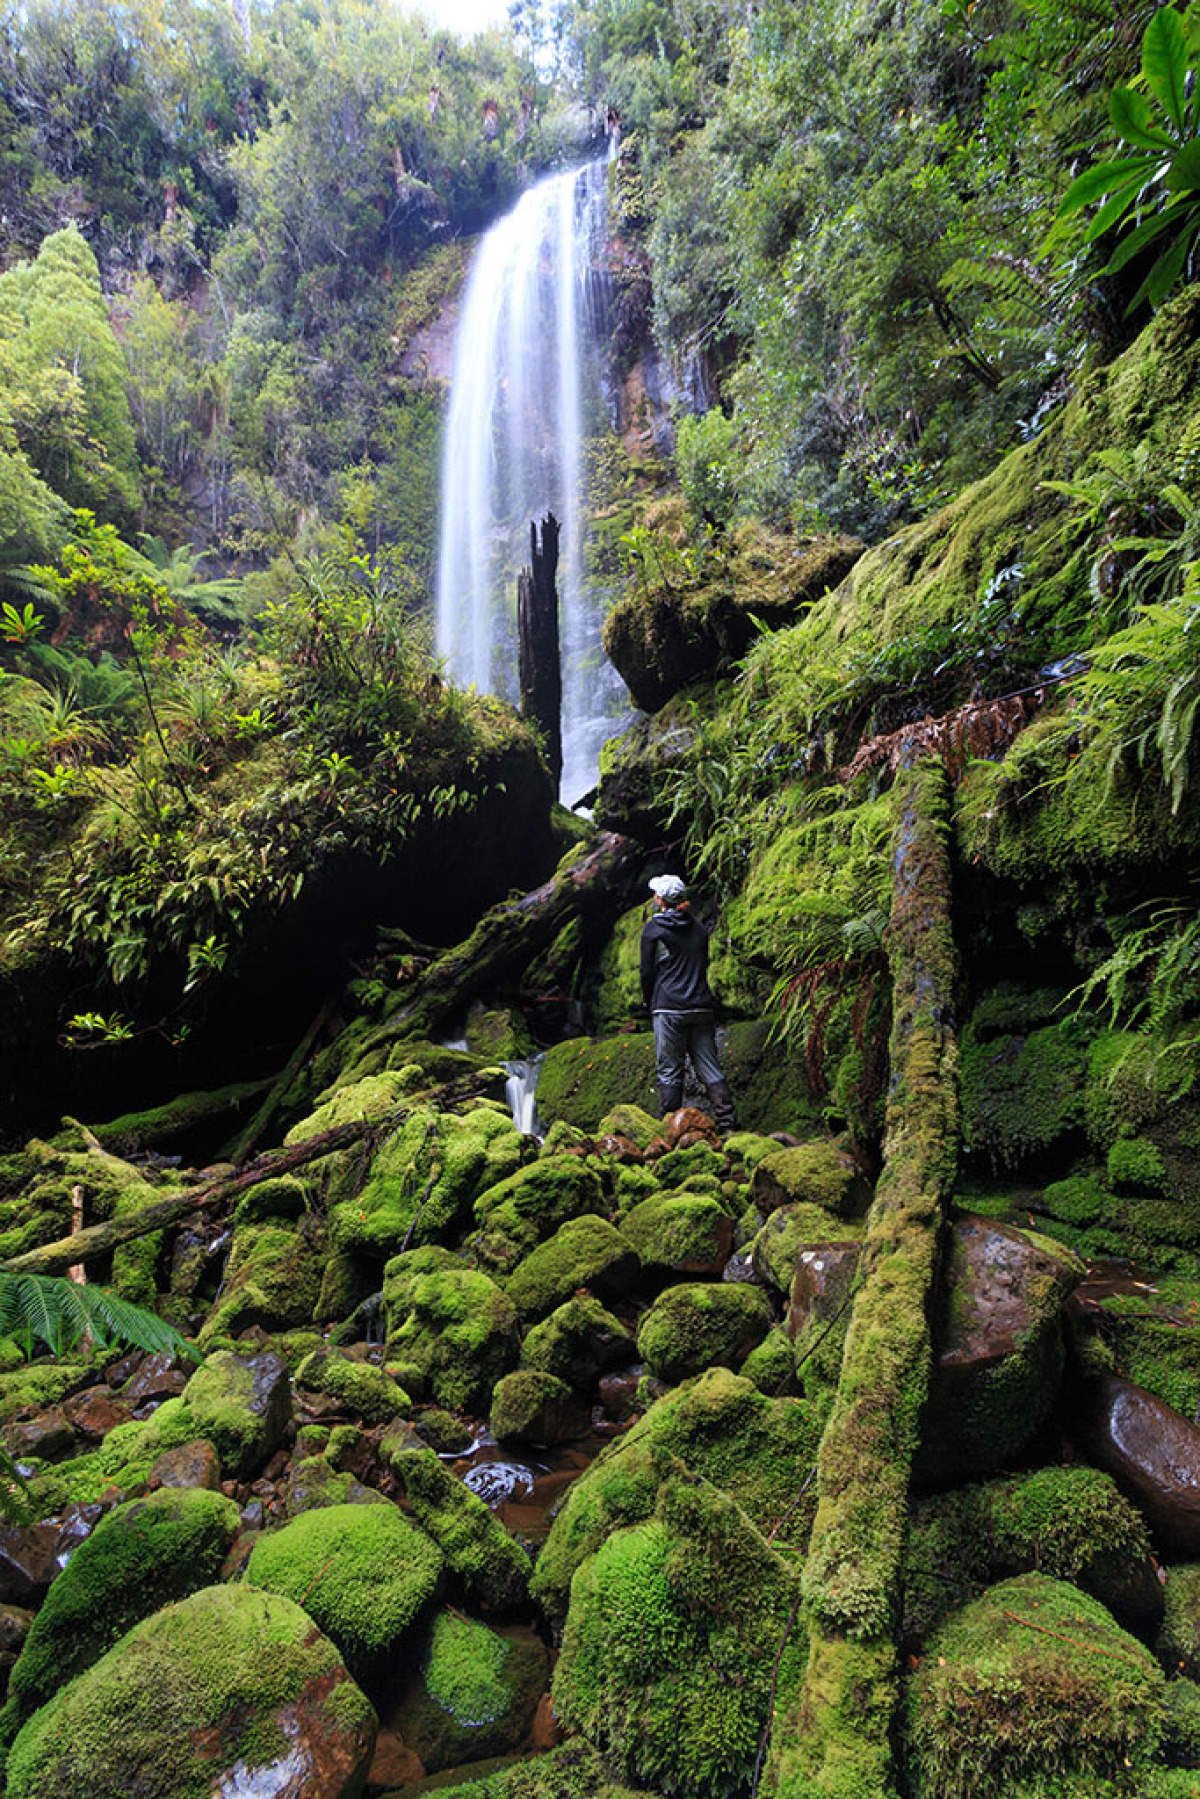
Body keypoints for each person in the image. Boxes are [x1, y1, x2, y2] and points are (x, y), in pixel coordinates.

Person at [640, 873, 738, 1131]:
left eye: (655, 893)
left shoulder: (654, 929)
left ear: (660, 899)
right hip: (701, 1005)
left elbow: (647, 972)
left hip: (668, 1007)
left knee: (670, 1070)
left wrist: (648, 1001)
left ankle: (670, 1129)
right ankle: (727, 1124)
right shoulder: (698, 928)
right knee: (709, 1066)